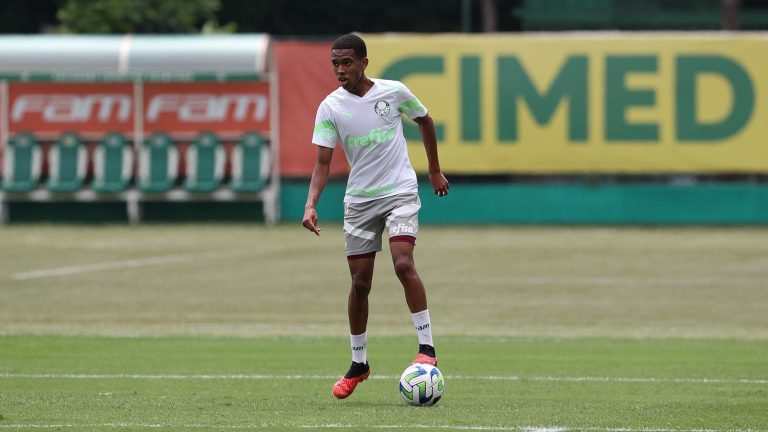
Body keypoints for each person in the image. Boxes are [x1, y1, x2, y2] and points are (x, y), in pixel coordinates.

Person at [302, 33, 449, 399]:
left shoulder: (393, 91)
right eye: (335, 63)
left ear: (364, 63)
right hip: (360, 203)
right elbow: (322, 163)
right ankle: (359, 363)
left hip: (400, 192)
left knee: (402, 263)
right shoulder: (330, 107)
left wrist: (433, 170)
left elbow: (425, 121)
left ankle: (427, 348)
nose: (340, 70)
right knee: (360, 284)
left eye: (346, 63)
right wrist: (310, 203)